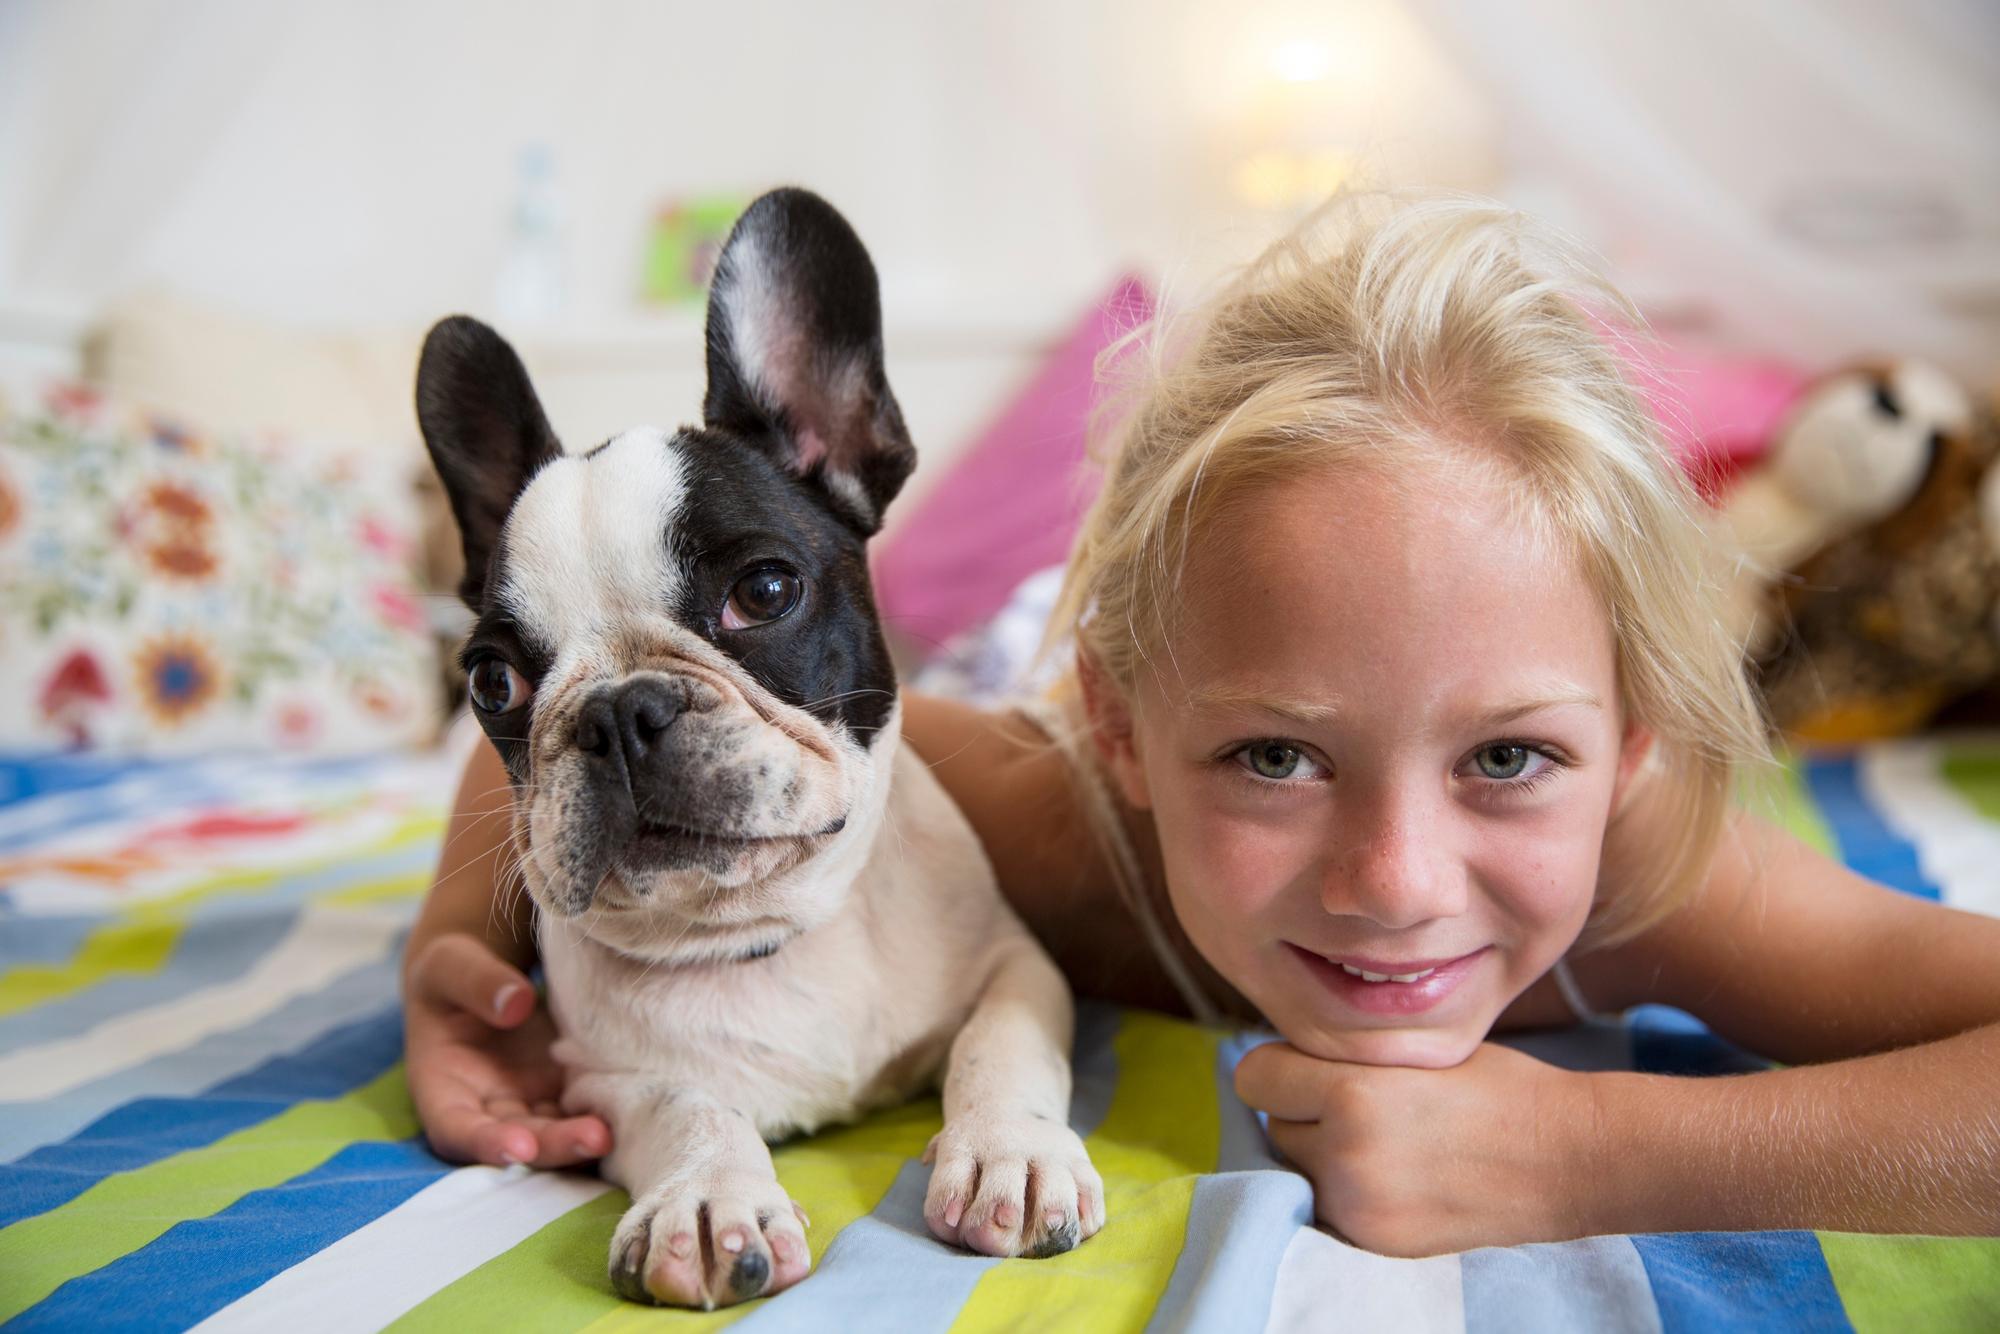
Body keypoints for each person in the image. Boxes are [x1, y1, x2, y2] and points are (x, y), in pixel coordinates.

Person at [402, 197, 2000, 1255]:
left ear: (1635, 736)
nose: (1394, 877)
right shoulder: (1061, 821)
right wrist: (454, 951)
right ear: (1121, 732)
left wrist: (1601, 1150)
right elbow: (610, 733)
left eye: (1509, 755)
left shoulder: (1653, 871)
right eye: (1276, 756)